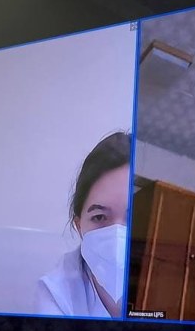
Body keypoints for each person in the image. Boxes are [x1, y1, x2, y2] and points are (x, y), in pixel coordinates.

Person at [35, 132, 131, 318]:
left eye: (134, 217)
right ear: (79, 226)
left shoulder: (175, 283)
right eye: (100, 217)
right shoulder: (57, 292)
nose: (117, 234)